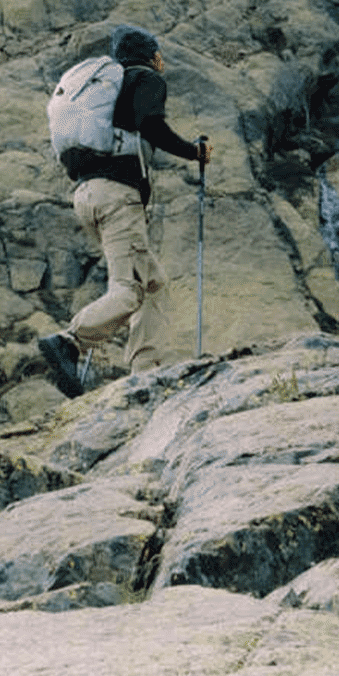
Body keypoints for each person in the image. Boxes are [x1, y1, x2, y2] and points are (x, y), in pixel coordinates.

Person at [38, 24, 212, 397]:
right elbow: (151, 125)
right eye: (160, 55)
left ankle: (145, 371)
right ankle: (69, 341)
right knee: (129, 290)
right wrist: (193, 152)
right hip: (118, 197)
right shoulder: (145, 78)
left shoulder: (107, 88)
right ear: (153, 55)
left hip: (88, 195)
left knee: (153, 283)